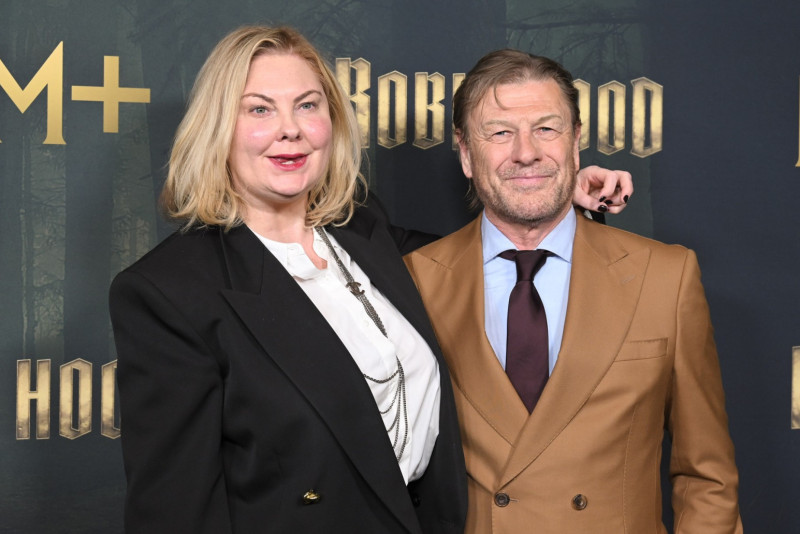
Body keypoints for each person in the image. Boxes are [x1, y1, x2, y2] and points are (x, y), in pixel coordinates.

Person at [109, 26, 631, 533]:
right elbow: (174, 511)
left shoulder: (362, 228)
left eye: (307, 105)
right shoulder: (168, 293)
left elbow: (472, 256)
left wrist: (546, 194)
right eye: (259, 109)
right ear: (218, 127)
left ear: (331, 121)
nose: (290, 129)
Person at [404, 49, 742, 533]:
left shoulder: (665, 277)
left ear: (576, 141)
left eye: (547, 128)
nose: (526, 152)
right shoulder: (411, 282)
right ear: (465, 152)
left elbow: (707, 478)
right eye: (500, 133)